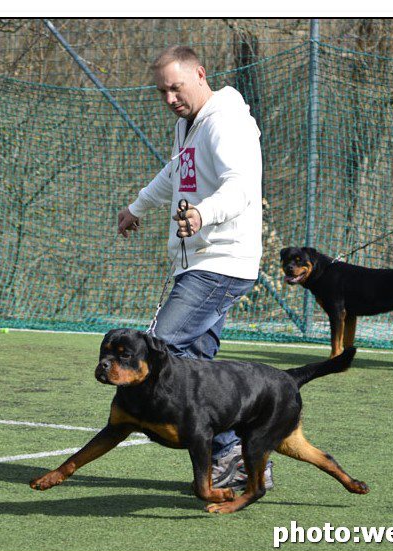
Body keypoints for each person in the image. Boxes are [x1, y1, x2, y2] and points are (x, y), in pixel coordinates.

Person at [116, 46, 269, 489]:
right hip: (200, 263)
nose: (169, 98)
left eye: (176, 87)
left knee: (159, 349)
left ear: (200, 74)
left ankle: (232, 451)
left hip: (220, 262)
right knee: (197, 363)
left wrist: (204, 214)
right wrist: (138, 205)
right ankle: (240, 455)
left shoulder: (226, 122)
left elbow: (242, 186)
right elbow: (174, 172)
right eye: (162, 91)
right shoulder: (189, 125)